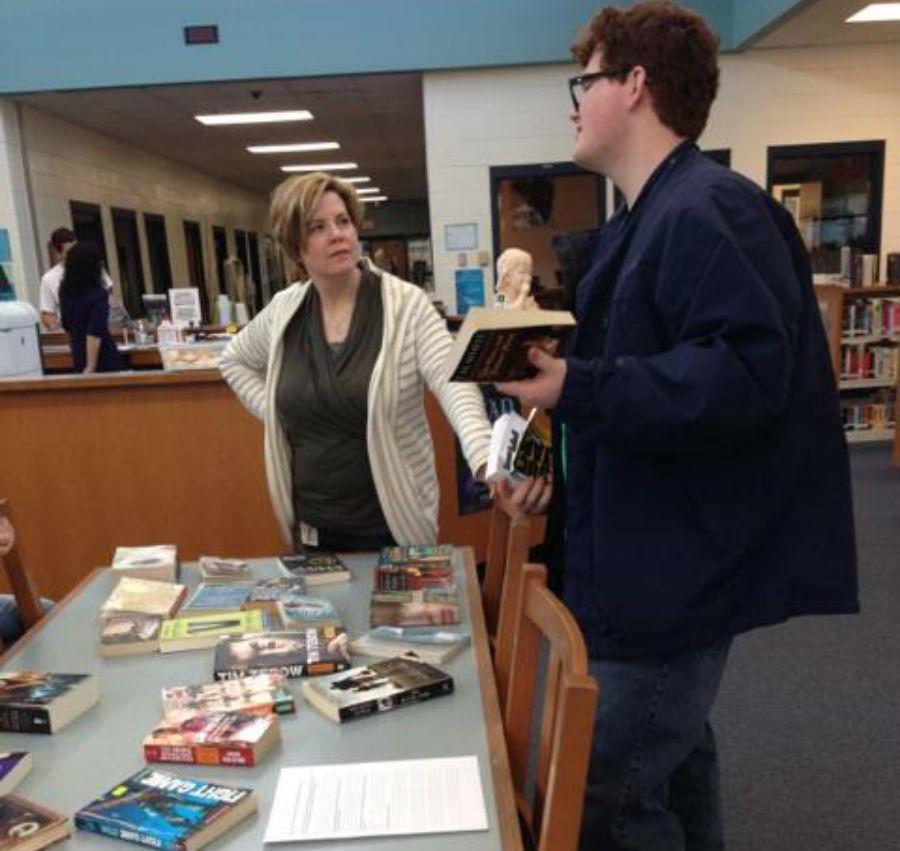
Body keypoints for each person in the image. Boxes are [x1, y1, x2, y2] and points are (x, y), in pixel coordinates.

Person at [497, 3, 859, 849]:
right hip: (632, 551)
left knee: (599, 793)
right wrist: (543, 447)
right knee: (673, 761)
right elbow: (620, 382)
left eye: (584, 80)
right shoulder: (644, 220)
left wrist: (576, 384)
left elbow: (742, 378)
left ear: (635, 84)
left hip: (672, 570)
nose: (573, 99)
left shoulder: (709, 210)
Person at [220, 172, 492, 552]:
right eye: (317, 227)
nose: (337, 234)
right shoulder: (286, 310)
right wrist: (277, 412)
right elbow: (233, 360)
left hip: (394, 527)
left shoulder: (405, 305)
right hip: (311, 529)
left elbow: (454, 381)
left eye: (343, 221)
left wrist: (483, 456)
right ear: (296, 248)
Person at [58, 241, 124, 374]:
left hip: (78, 355)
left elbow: (66, 326)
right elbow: (94, 332)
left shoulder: (65, 293)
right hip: (103, 359)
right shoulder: (98, 294)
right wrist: (91, 366)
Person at [38, 227, 114, 331]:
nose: (76, 254)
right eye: (69, 252)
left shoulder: (93, 266)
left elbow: (108, 293)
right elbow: (47, 313)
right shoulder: (49, 279)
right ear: (58, 253)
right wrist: (54, 325)